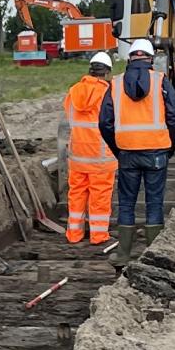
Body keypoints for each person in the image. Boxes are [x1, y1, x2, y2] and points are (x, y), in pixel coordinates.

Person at [100, 36, 175, 239]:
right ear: (151, 60)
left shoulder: (115, 84)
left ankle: (124, 252)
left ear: (130, 59)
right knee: (154, 202)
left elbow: (105, 122)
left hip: (127, 152)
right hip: (156, 152)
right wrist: (169, 145)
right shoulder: (161, 81)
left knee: (126, 203)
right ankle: (152, 248)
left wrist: (118, 148)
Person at [60, 50, 116, 246]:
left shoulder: (74, 91)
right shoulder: (109, 93)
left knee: (76, 195)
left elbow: (69, 114)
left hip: (77, 156)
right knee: (99, 197)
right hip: (101, 157)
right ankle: (98, 236)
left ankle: (74, 234)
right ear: (107, 72)